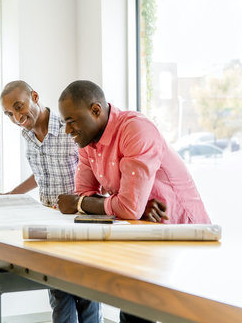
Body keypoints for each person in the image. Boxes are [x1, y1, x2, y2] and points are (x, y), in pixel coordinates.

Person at [57, 80, 211, 322]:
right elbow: (88, 193)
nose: (67, 131)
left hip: (182, 234)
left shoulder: (135, 129)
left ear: (96, 110)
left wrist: (83, 204)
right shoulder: (88, 142)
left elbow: (119, 206)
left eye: (71, 121)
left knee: (186, 315)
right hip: (142, 234)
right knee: (132, 311)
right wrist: (125, 206)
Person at [0, 80, 102, 323]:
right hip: (50, 227)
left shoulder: (69, 127)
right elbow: (41, 172)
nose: (16, 117)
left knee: (86, 298)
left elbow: (94, 172)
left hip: (79, 223)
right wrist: (10, 195)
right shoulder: (27, 135)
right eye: (9, 114)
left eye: (19, 107)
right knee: (59, 297)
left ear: (34, 96)